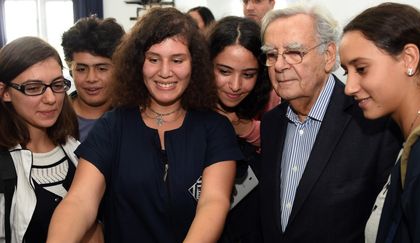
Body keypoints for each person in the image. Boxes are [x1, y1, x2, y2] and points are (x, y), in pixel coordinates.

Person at [47, 7, 242, 243]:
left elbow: (213, 201)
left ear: (195, 64)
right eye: (153, 59)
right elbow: (80, 201)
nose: (165, 72)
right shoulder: (113, 125)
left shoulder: (215, 129)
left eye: (177, 60)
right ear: (138, 62)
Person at [258, 2, 402, 242]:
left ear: (328, 56)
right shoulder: (272, 123)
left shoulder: (372, 123)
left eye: (294, 52)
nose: (280, 65)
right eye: (272, 55)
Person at [340, 3, 420, 243]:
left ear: (409, 58)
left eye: (361, 69)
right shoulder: (410, 139)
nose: (349, 88)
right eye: (345, 72)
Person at [0, 37, 101, 243]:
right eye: (33, 87)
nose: (51, 98)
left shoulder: (77, 151)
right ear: (5, 92)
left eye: (57, 85)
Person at [207, 16, 272, 242]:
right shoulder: (185, 108)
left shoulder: (270, 104)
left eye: (248, 75)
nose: (235, 86)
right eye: (224, 71)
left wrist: (242, 126)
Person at [62, 16, 125, 141]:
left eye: (101, 69)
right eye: (81, 69)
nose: (91, 78)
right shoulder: (55, 117)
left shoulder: (133, 117)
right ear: (70, 70)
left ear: (119, 69)